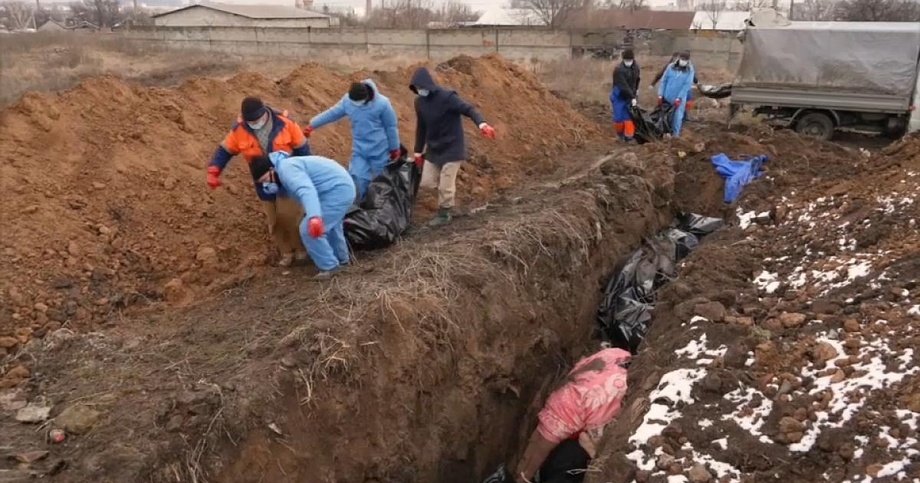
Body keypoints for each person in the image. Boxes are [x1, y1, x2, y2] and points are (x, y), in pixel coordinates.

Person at [207, 97, 311, 267]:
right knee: (274, 220)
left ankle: (301, 249)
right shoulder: (239, 130)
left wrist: (306, 172)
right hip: (262, 181)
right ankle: (286, 253)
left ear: (265, 113)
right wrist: (214, 170)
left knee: (290, 216)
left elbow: (303, 149)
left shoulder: (285, 123)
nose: (255, 123)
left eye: (257, 119)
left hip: (287, 178)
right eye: (251, 121)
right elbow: (224, 150)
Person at [513, 348, 631, 483]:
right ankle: (523, 476)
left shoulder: (616, 354)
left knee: (539, 447)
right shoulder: (609, 393)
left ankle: (522, 475)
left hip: (567, 404)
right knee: (541, 449)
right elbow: (598, 447)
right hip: (569, 414)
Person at [409, 67, 496, 227]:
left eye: (421, 87)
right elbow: (421, 127)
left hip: (452, 147)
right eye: (417, 89)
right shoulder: (419, 102)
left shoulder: (447, 98)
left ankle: (444, 213)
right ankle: (447, 199)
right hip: (434, 148)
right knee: (427, 182)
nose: (420, 91)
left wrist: (482, 124)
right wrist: (417, 151)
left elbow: (469, 109)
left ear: (429, 85)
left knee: (445, 184)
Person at [250, 152, 356, 280]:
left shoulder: (287, 170)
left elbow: (307, 191)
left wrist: (314, 217)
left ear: (271, 170)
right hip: (338, 188)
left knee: (308, 230)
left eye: (265, 179)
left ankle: (330, 267)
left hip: (337, 191)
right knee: (332, 227)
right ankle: (342, 261)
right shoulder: (284, 168)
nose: (266, 184)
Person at [305, 80, 401, 202]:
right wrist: (313, 124)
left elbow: (391, 127)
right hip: (360, 150)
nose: (356, 105)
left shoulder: (382, 104)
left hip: (380, 150)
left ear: (366, 96)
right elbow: (332, 113)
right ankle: (358, 208)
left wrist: (395, 148)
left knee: (381, 183)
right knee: (357, 180)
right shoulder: (348, 101)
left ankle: (381, 211)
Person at [657, 51, 696, 137]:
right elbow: (664, 80)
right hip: (667, 96)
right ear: (678, 58)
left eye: (685, 60)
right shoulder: (671, 67)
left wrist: (679, 98)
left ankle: (675, 136)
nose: (683, 61)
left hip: (679, 99)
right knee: (664, 117)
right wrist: (660, 95)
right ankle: (664, 134)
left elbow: (687, 85)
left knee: (677, 118)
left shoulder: (690, 70)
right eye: (682, 59)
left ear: (688, 60)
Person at [651, 52, 699, 121]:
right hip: (671, 89)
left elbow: (692, 77)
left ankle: (684, 116)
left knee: (686, 102)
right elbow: (660, 75)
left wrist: (697, 82)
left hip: (684, 87)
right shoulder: (670, 66)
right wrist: (652, 84)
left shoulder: (689, 67)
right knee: (667, 104)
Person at [610, 49, 641, 143]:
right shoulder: (619, 70)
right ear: (623, 60)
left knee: (629, 116)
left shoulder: (636, 67)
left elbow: (637, 79)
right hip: (619, 95)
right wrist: (632, 97)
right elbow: (623, 85)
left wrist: (636, 91)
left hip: (630, 94)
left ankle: (629, 137)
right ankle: (620, 135)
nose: (628, 62)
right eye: (626, 60)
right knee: (619, 117)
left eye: (630, 60)